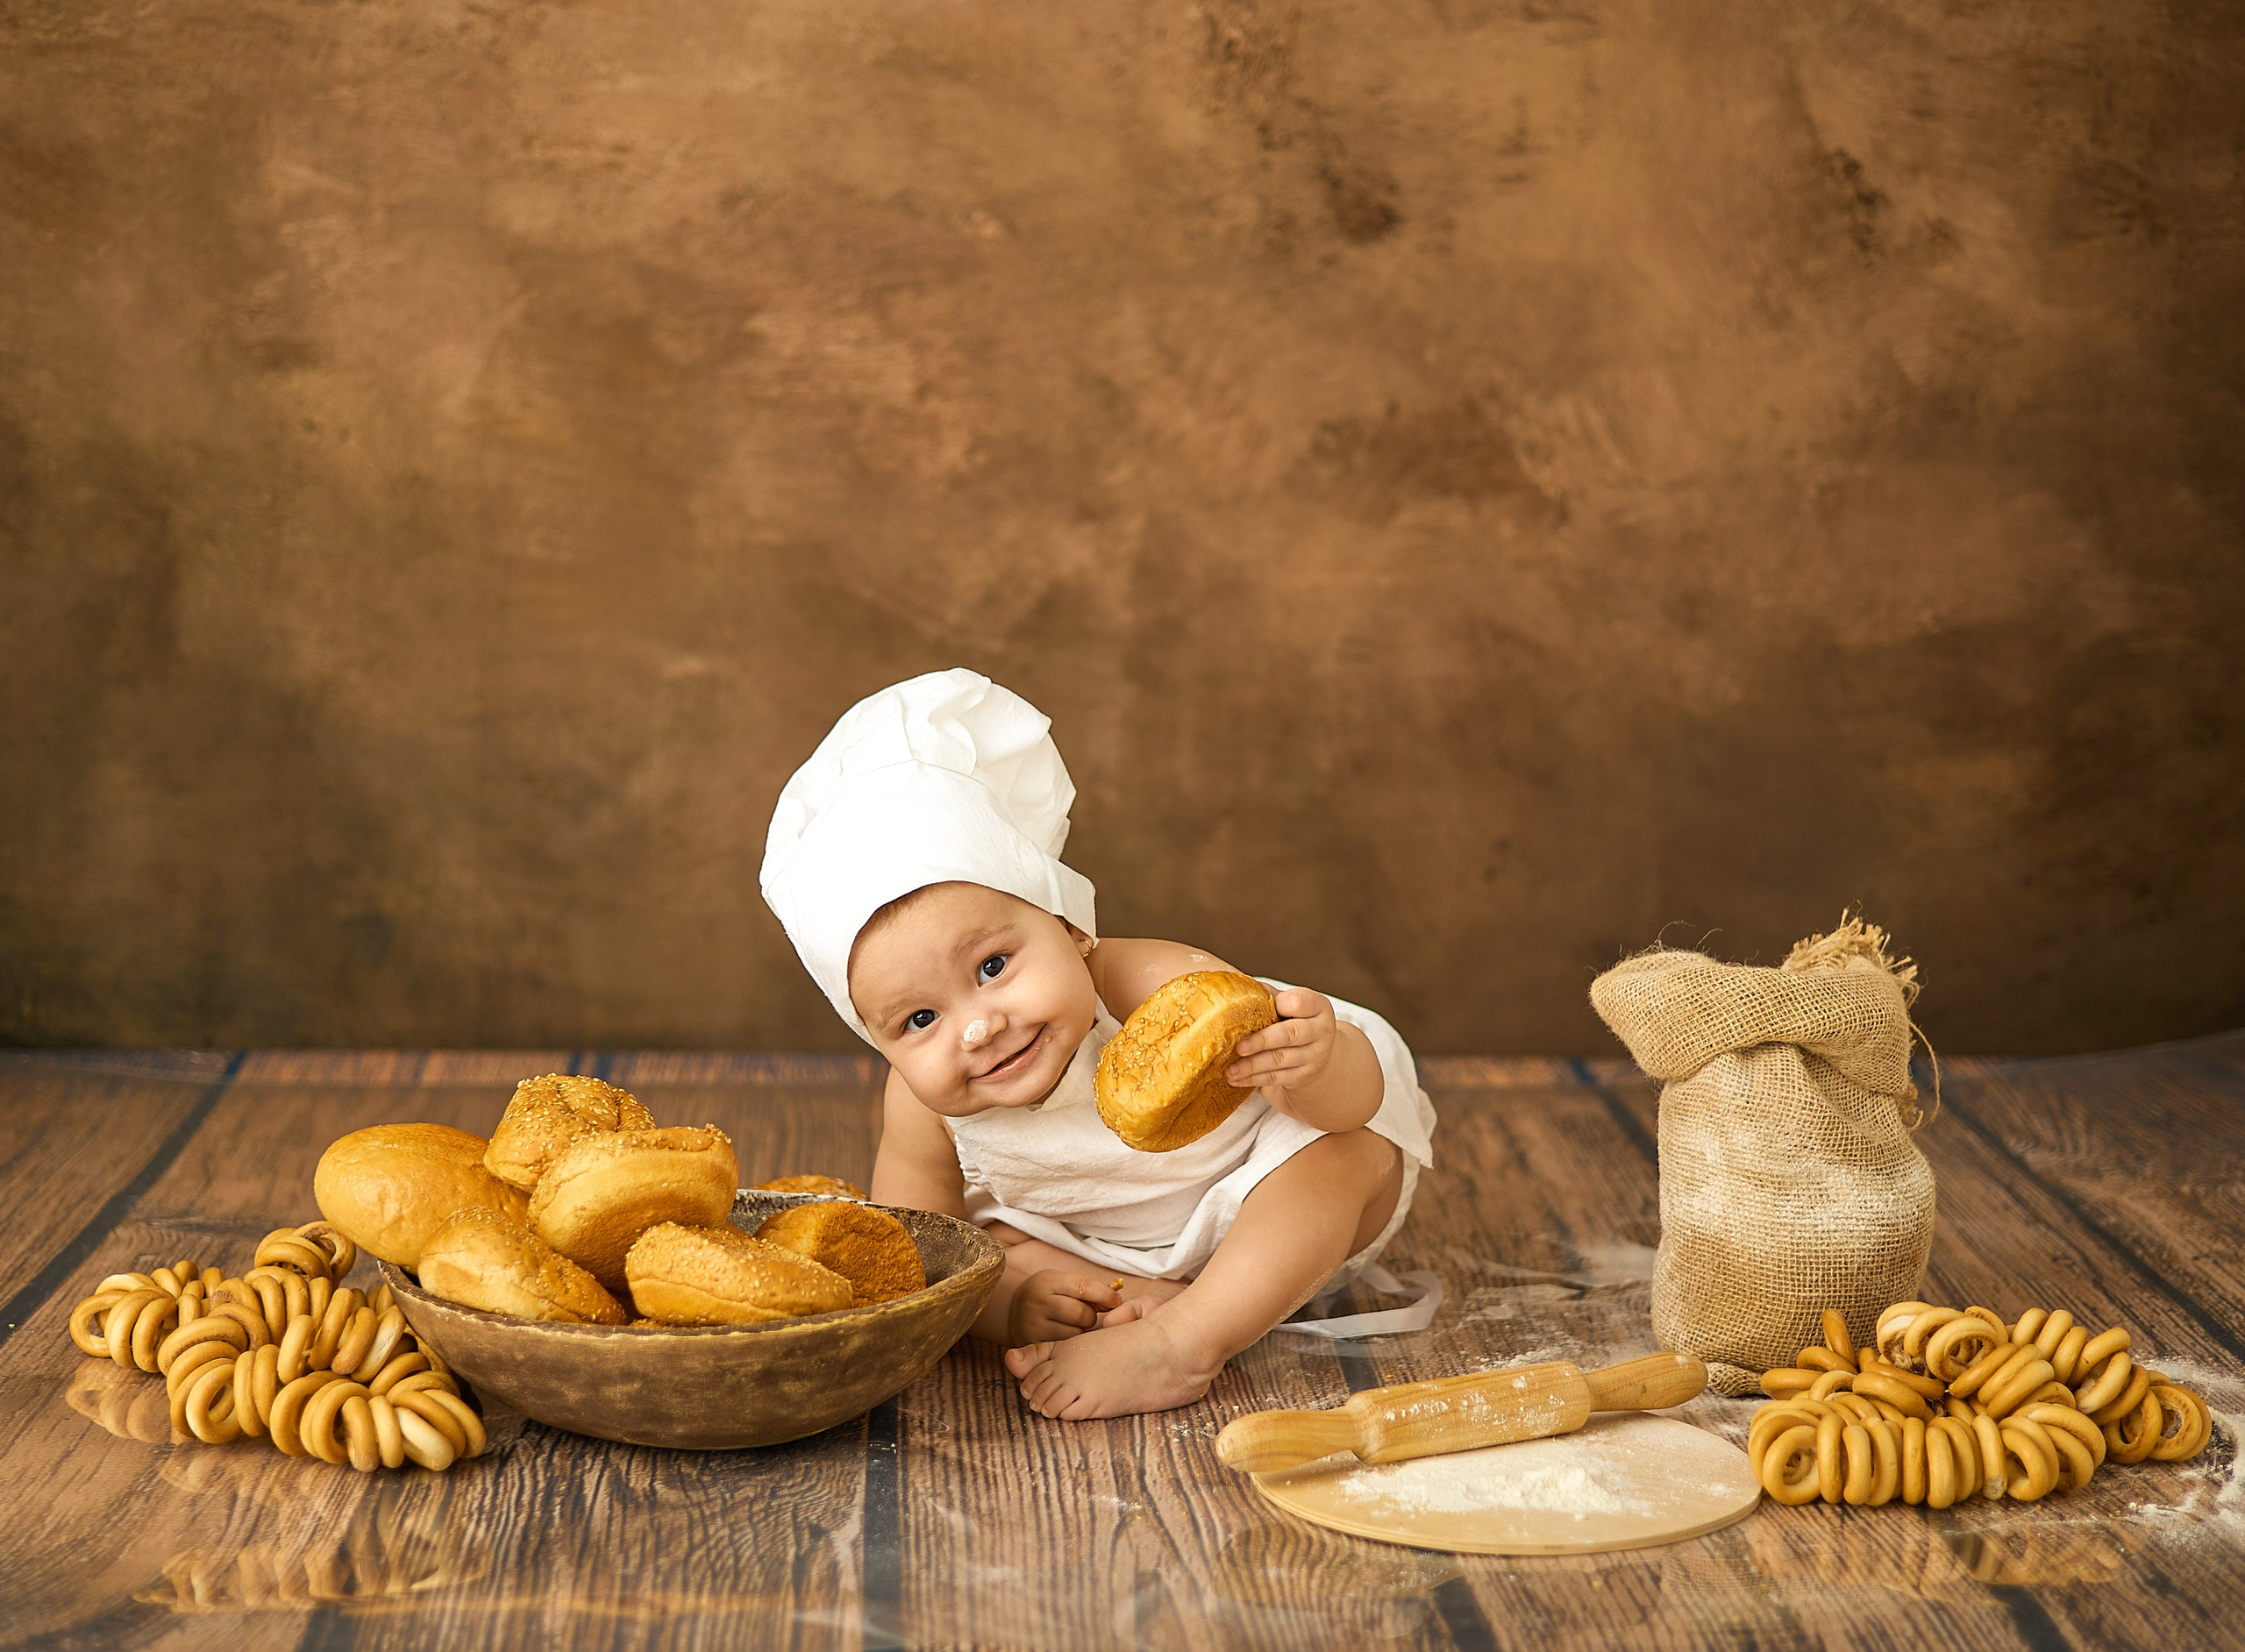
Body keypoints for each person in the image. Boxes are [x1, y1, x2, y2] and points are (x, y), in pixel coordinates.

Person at [760, 670, 1436, 1418]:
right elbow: (918, 1253)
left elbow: (1347, 1109)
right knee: (986, 1244)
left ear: (1071, 928)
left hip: (1258, 1211)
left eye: (992, 968)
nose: (977, 1026)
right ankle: (1132, 1304)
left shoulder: (1155, 981)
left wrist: (1315, 1065)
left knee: (1342, 1152)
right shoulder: (923, 1107)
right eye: (920, 1021)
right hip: (1090, 1245)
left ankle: (1188, 1335)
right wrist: (1010, 1305)